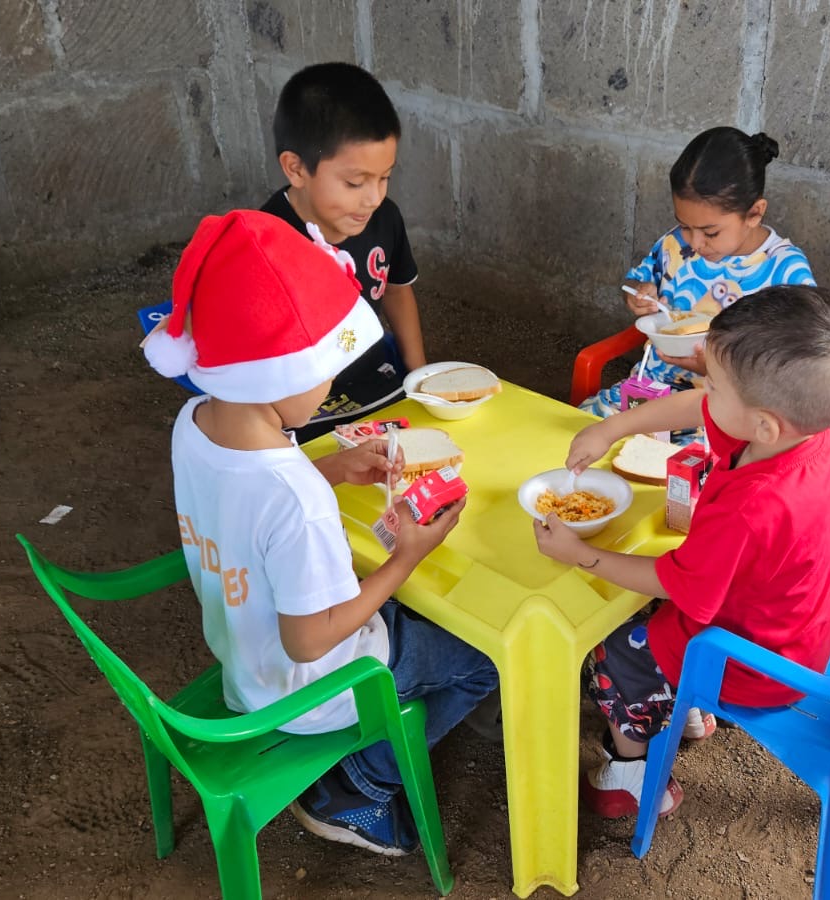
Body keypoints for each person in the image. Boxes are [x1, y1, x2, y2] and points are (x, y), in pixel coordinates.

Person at [143, 210, 497, 855]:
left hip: (245, 662)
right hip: (314, 690)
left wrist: (330, 466)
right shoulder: (295, 499)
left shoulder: (193, 422)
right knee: (486, 656)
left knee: (418, 617)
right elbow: (310, 640)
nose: (332, 385)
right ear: (279, 373)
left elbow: (243, 498)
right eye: (326, 370)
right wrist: (406, 558)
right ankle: (361, 785)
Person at [538, 285, 830, 817]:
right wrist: (613, 427)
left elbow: (674, 584)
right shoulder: (802, 438)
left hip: (754, 662)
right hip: (795, 631)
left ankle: (633, 775)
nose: (704, 390)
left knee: (612, 649)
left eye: (714, 382)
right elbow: (704, 406)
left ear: (764, 423)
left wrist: (580, 554)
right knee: (641, 608)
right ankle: (687, 710)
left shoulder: (748, 506)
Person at [583, 126, 818, 422]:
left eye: (710, 232)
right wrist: (638, 293)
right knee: (577, 433)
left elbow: (798, 368)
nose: (694, 243)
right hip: (647, 394)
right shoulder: (674, 244)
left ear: (755, 213)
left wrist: (717, 370)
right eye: (685, 225)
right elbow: (634, 282)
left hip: (725, 416)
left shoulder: (785, 271)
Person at [260, 62, 428, 442]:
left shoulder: (385, 218)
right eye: (355, 183)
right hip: (295, 409)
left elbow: (397, 291)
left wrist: (419, 378)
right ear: (296, 169)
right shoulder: (263, 245)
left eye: (385, 177)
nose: (374, 198)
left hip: (374, 382)